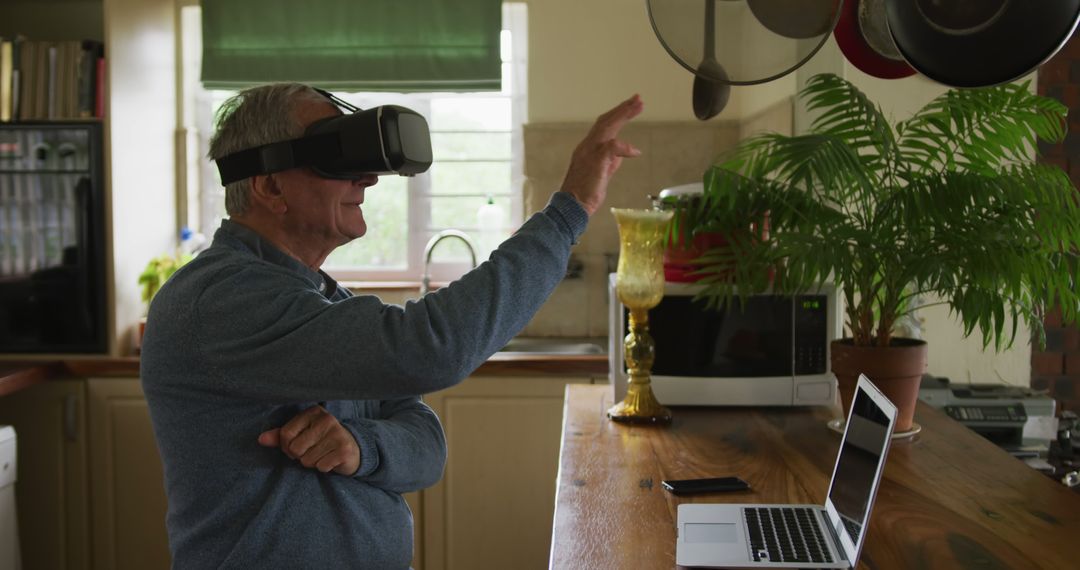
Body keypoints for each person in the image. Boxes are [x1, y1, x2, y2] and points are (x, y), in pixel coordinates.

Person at [140, 82, 644, 569]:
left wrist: (362, 446)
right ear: (270, 185)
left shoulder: (322, 297)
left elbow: (427, 448)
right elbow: (431, 348)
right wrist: (567, 213)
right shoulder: (219, 301)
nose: (367, 179)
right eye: (337, 158)